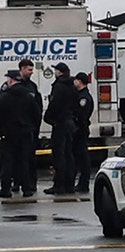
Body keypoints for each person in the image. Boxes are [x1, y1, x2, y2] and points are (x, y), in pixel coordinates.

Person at [7, 60, 41, 197]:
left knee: (29, 158)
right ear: (21, 69)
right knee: (13, 158)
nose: (31, 72)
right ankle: (16, 182)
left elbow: (37, 109)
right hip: (13, 130)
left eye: (32, 70)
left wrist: (35, 127)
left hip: (28, 129)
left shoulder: (32, 87)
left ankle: (30, 184)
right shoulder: (9, 88)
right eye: (29, 70)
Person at [43, 61, 77, 194]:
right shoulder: (72, 86)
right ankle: (70, 184)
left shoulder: (59, 86)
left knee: (59, 155)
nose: (55, 72)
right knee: (69, 154)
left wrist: (48, 117)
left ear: (60, 72)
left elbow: (54, 104)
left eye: (56, 70)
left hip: (60, 123)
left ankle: (59, 184)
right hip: (70, 123)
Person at [71, 72, 95, 194]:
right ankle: (80, 183)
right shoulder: (80, 95)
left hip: (81, 130)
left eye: (75, 80)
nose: (74, 82)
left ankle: (83, 183)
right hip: (79, 129)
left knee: (83, 158)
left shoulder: (84, 97)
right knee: (78, 157)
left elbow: (81, 115)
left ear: (79, 82)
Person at [0, 69, 19, 198]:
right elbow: (36, 112)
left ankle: (6, 188)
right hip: (24, 132)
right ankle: (26, 187)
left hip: (7, 133)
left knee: (7, 161)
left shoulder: (5, 97)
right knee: (23, 160)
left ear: (11, 80)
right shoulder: (28, 94)